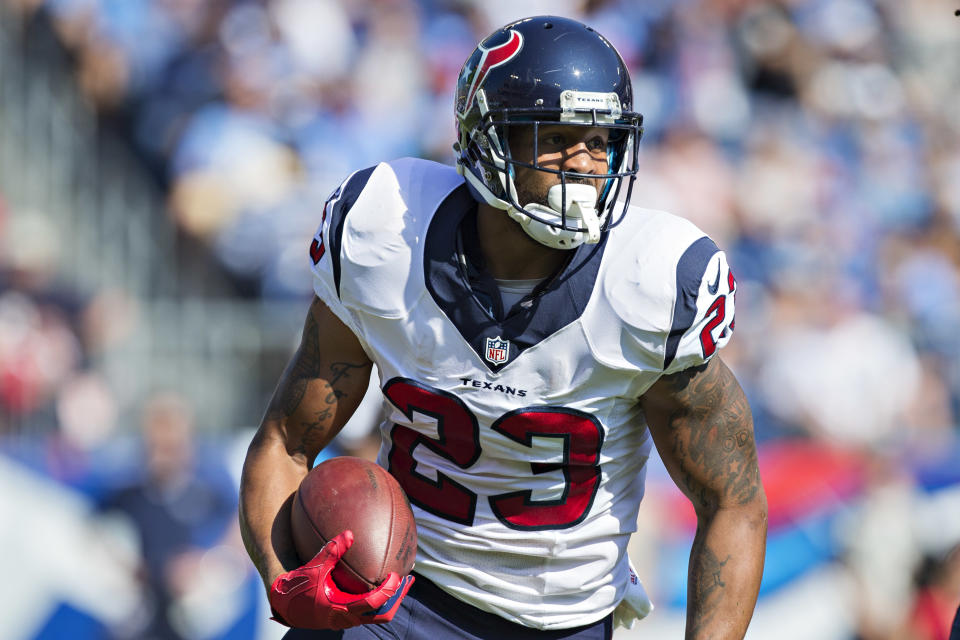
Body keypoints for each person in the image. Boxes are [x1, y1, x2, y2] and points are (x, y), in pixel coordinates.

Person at [239, 15, 767, 640]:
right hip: (395, 598)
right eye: (559, 137)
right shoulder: (387, 238)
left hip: (562, 621)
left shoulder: (650, 283)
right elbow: (285, 442)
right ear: (490, 140)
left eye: (601, 141)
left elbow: (733, 501)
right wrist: (287, 582)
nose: (586, 164)